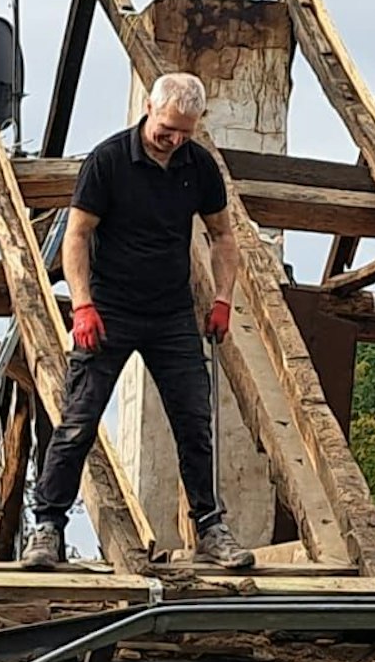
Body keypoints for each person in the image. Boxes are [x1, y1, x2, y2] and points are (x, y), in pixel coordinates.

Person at [22, 73, 255, 570]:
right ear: (149, 107)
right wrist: (82, 304)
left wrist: (222, 298)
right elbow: (78, 236)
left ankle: (211, 527)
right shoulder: (108, 161)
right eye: (167, 128)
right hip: (109, 311)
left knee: (194, 422)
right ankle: (47, 527)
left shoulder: (199, 167)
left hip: (171, 313)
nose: (173, 140)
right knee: (79, 421)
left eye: (185, 133)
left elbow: (223, 236)